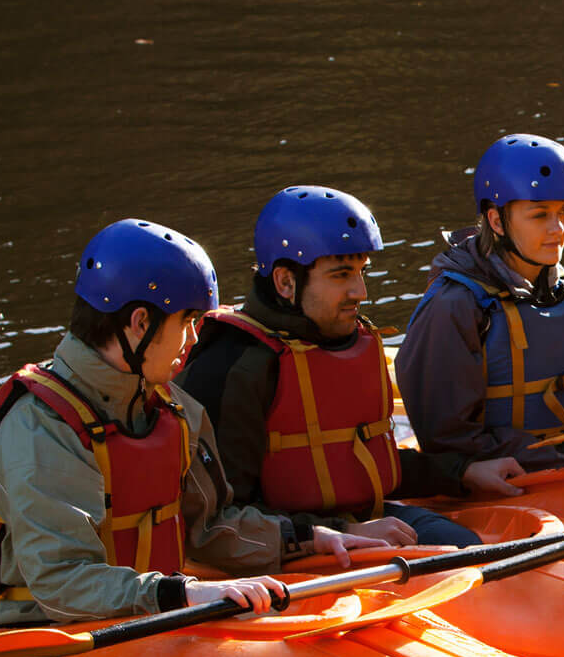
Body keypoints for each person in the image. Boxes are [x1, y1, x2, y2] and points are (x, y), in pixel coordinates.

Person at [0, 218, 392, 626]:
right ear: (139, 323)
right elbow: (62, 581)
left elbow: (209, 528)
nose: (193, 340)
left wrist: (309, 536)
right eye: (186, 322)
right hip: (46, 629)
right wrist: (182, 594)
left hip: (153, 613)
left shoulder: (175, 410)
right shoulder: (40, 428)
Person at [177, 186, 480, 546]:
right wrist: (340, 531)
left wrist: (463, 472)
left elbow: (362, 458)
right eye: (341, 275)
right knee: (459, 552)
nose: (360, 292)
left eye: (361, 272)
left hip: (356, 518)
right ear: (286, 282)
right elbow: (222, 515)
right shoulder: (232, 366)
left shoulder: (337, 337)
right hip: (289, 539)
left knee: (466, 544)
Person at [396, 134, 564, 498]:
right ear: (496, 221)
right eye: (540, 215)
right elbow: (447, 439)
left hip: (559, 462)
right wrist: (551, 458)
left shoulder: (562, 291)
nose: (557, 229)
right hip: (500, 480)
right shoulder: (455, 305)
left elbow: (563, 395)